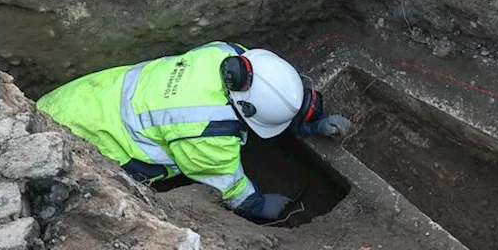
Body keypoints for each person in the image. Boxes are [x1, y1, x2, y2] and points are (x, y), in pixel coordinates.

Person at [36, 41, 351, 221]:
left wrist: (312, 120)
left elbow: (265, 93)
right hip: (74, 139)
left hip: (76, 100)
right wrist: (258, 205)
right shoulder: (206, 134)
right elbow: (229, 185)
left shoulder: (227, 54)